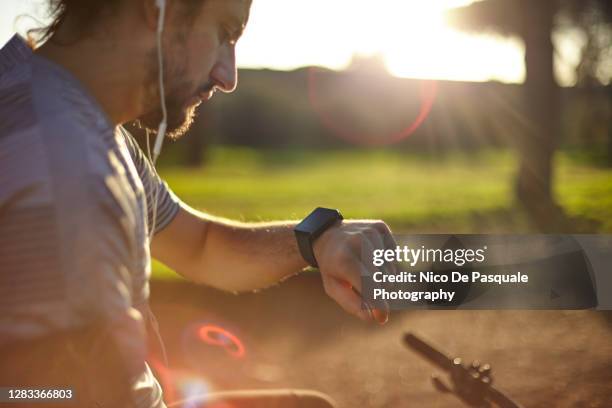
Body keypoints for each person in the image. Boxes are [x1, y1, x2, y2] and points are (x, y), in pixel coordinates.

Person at [0, 0, 393, 406]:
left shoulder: (75, 114)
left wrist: (317, 240)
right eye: (224, 32)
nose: (228, 76)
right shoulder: (66, 171)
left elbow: (200, 245)